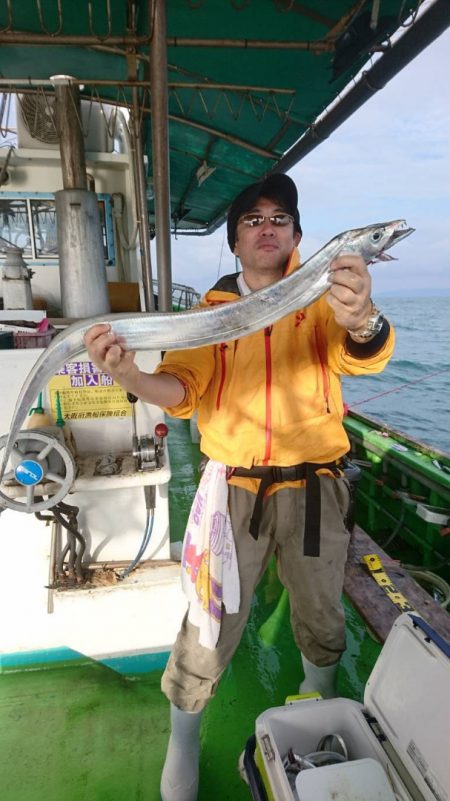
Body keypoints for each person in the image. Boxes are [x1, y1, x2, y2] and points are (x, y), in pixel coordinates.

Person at [84, 174, 394, 801]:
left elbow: (361, 353)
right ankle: (185, 740)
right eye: (252, 220)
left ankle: (320, 711)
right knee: (208, 625)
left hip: (316, 490)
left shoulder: (323, 299)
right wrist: (129, 375)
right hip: (232, 492)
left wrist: (365, 317)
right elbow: (182, 391)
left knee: (319, 612)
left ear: (300, 236)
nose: (267, 227)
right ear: (234, 242)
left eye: (279, 217)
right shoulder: (208, 317)